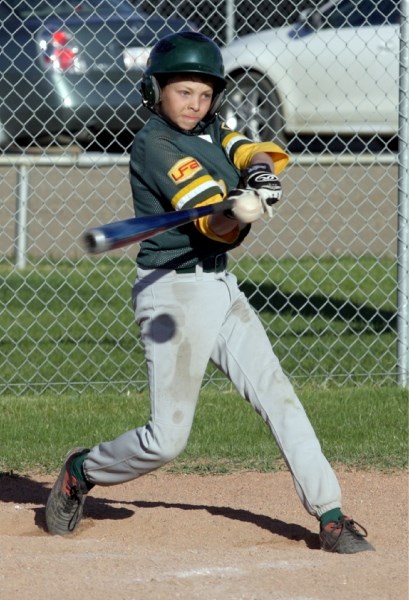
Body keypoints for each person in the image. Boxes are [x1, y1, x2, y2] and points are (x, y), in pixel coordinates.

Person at [45, 31, 374, 554]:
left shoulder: (213, 127)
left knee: (278, 396)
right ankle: (83, 469)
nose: (195, 104)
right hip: (171, 295)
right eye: (183, 92)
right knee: (166, 441)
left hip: (220, 286)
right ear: (156, 91)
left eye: (204, 94)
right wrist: (237, 213)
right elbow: (211, 223)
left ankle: (330, 515)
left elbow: (248, 149)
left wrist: (261, 177)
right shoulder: (155, 144)